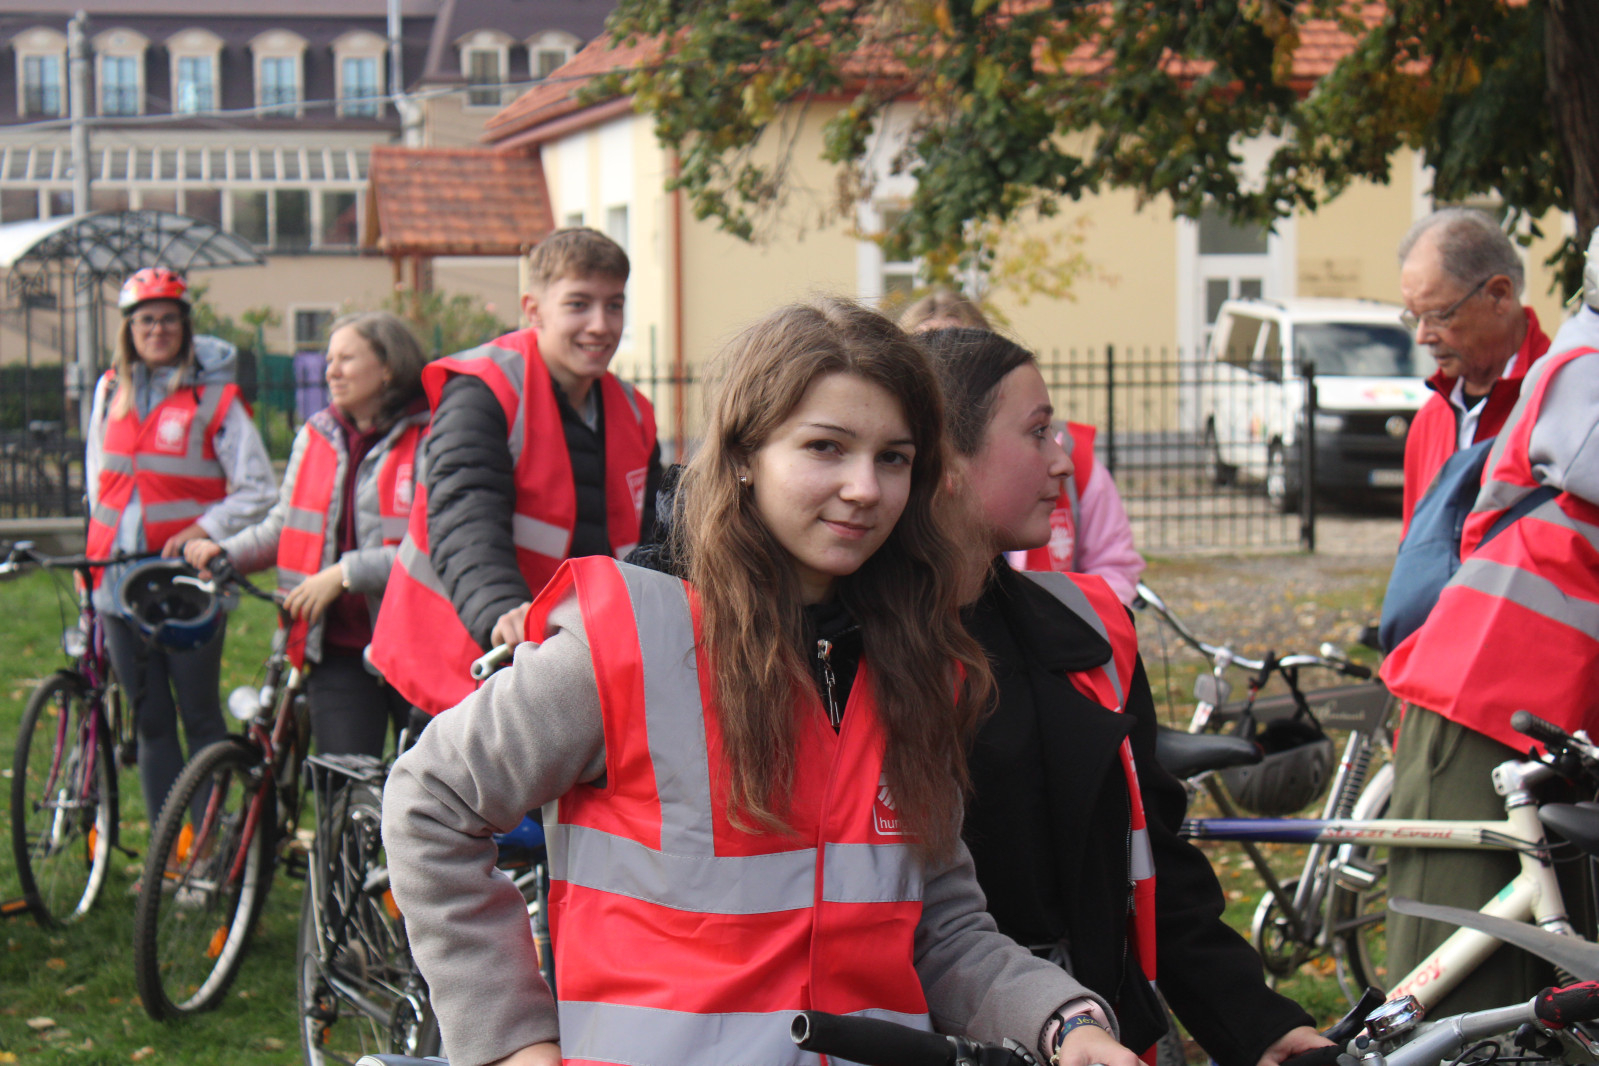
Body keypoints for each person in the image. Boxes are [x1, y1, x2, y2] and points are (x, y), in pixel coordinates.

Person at [383, 299, 1142, 1066]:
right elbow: (429, 803)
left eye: (892, 458)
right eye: (825, 447)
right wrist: (510, 1044)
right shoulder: (626, 642)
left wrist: (1064, 1023)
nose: (864, 487)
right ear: (745, 454)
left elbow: (939, 927)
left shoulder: (918, 663)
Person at [920, 327, 1326, 1066]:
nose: (1062, 459)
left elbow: (1150, 861)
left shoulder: (1087, 628)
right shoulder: (859, 652)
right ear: (947, 459)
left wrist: (1254, 1023)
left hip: (1100, 1034)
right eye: (1037, 432)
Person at [1381, 233, 1599, 1014]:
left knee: (1547, 991)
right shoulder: (1583, 373)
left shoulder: (1562, 365)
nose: (1424, 337)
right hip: (1487, 703)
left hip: (1540, 712)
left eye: (1436, 314)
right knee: (1464, 992)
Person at [369, 227, 663, 717]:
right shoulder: (485, 391)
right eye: (578, 305)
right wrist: (502, 609)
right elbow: (465, 517)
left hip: (571, 657)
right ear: (533, 310)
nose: (600, 324)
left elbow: (649, 539)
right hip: (467, 651)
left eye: (614, 305)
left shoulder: (633, 412)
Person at [183, 311, 430, 757]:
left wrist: (344, 574)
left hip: (418, 646)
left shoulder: (432, 436)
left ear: (388, 367)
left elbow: (438, 547)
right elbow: (285, 527)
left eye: (346, 359)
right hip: (332, 649)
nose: (331, 371)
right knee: (343, 783)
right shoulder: (317, 435)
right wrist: (226, 553)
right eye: (329, 359)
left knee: (429, 787)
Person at [85, 267, 276, 823]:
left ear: (186, 327)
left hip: (186, 582)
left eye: (169, 319)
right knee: (149, 720)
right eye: (146, 320)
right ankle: (170, 849)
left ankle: (210, 843)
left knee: (198, 715)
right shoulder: (110, 391)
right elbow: (99, 481)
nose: (158, 330)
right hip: (115, 578)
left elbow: (258, 488)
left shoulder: (215, 398)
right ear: (129, 329)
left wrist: (205, 529)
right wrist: (91, 554)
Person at [900, 289, 1145, 603]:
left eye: (965, 349)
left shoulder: (1071, 457)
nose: (943, 376)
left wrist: (1063, 621)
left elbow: (1115, 566)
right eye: (928, 353)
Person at [1397, 208, 1552, 533]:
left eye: (1439, 316)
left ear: (1499, 295)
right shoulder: (1430, 420)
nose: (1422, 337)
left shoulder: (1562, 403)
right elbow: (1415, 551)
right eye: (1415, 318)